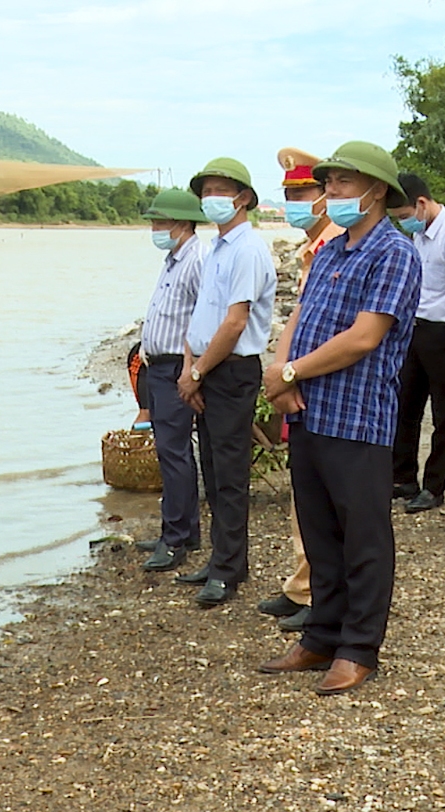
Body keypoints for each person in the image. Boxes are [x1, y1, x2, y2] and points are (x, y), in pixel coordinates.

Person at [259, 141, 421, 695]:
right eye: (329, 183)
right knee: (320, 533)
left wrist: (290, 374)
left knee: (364, 538)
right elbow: (300, 314)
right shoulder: (329, 251)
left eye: (345, 183)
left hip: (357, 415)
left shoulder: (394, 254)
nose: (332, 192)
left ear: (377, 191)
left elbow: (364, 337)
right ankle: (320, 636)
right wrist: (280, 369)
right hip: (308, 412)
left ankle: (358, 648)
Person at [175, 158, 276, 606]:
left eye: (220, 189)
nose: (211, 197)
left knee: (231, 474)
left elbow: (235, 323)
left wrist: (198, 373)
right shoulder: (216, 248)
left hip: (231, 371)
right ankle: (222, 559)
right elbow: (200, 316)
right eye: (206, 190)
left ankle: (230, 569)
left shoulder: (248, 249)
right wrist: (189, 367)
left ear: (244, 199)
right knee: (212, 471)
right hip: (205, 369)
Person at [257, 148, 346, 633]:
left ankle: (317, 593)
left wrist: (290, 373)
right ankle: (300, 586)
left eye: (303, 193)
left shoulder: (335, 245)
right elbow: (300, 318)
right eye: (289, 194)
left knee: (321, 501)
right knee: (303, 499)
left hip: (320, 386)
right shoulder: (315, 247)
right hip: (298, 381)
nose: (296, 203)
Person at [389, 173, 445, 514]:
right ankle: (403, 476)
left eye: (403, 215)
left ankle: (434, 485)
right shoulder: (421, 235)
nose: (403, 223)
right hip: (417, 326)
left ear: (422, 204)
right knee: (406, 405)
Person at [133, 188, 208, 573]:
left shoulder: (196, 260)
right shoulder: (174, 258)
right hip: (159, 365)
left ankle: (176, 538)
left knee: (173, 452)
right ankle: (181, 530)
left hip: (176, 367)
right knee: (171, 450)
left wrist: (190, 369)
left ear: (180, 223)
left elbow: (201, 317)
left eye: (160, 222)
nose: (155, 228)